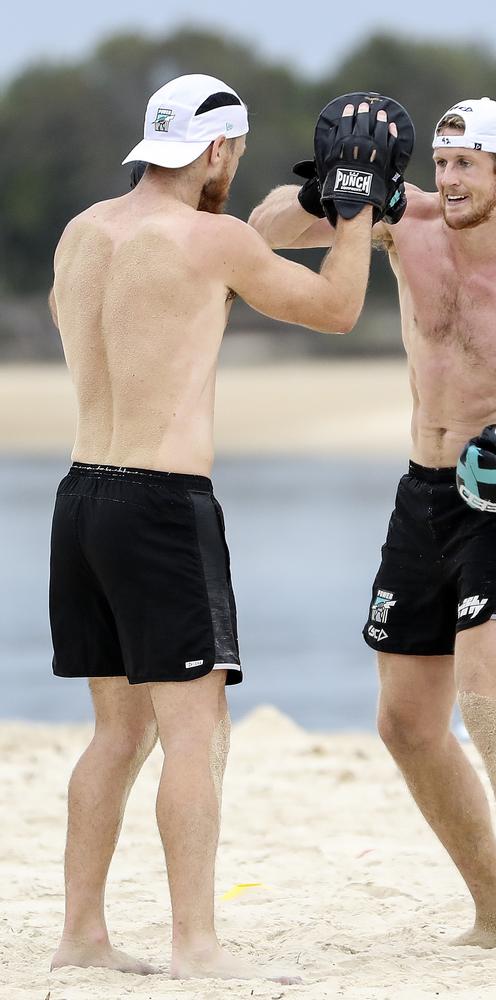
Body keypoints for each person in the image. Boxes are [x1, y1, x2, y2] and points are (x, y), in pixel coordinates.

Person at [47, 73, 400, 982]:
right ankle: (196, 946)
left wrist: (280, 224)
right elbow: (335, 309)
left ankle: (80, 935)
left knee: (115, 736)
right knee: (196, 734)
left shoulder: (84, 234)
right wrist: (356, 217)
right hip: (162, 506)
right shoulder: (213, 242)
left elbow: (191, 289)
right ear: (217, 150)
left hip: (81, 495)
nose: (232, 177)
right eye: (232, 161)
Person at [249, 96, 496, 954]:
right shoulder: (402, 220)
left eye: (466, 165)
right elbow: (263, 229)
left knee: (488, 706)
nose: (446, 179)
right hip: (422, 488)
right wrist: (339, 189)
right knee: (406, 725)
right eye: (442, 161)